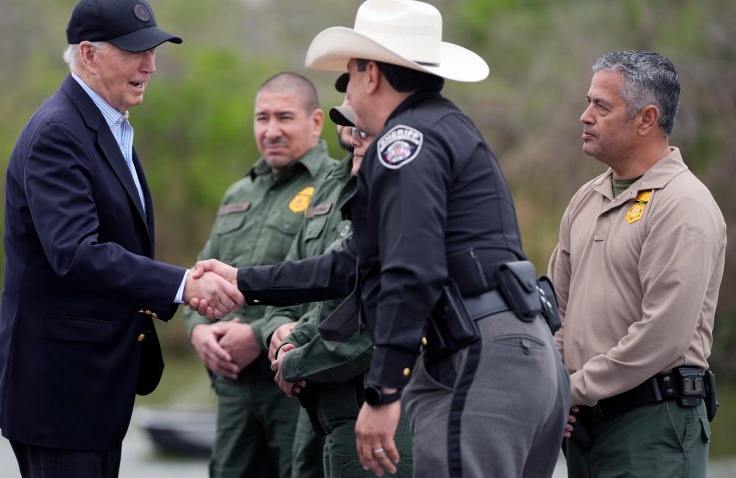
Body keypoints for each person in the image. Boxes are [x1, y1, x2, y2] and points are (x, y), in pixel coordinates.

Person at [190, 1, 570, 477]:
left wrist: (384, 392)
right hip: (522, 356)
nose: (345, 87)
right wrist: (244, 281)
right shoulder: (444, 127)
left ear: (371, 74)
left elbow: (411, 272)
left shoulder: (402, 143)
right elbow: (352, 264)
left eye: (349, 72)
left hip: (477, 360)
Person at [0, 1, 243, 476]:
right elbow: (76, 253)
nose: (149, 64)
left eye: (153, 51)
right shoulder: (58, 132)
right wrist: (184, 285)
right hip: (58, 395)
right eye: (134, 51)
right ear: (87, 54)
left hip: (92, 391)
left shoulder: (108, 124)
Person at [548, 50, 727, 477]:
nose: (584, 116)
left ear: (646, 119)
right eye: (588, 102)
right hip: (583, 427)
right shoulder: (586, 198)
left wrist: (572, 390)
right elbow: (556, 311)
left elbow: (662, 335)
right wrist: (551, 386)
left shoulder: (684, 205)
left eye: (601, 106)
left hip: (652, 429)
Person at [182, 72, 337, 478]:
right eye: (261, 118)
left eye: (284, 117)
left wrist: (256, 335)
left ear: (316, 122)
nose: (271, 131)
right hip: (232, 386)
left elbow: (337, 284)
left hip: (293, 382)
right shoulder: (238, 193)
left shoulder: (336, 188)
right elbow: (201, 267)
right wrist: (198, 330)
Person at [266, 80, 414, 478]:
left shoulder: (405, 198)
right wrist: (282, 334)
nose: (350, 118)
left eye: (360, 109)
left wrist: (296, 360)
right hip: (322, 402)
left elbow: (370, 317)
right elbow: (309, 281)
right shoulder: (332, 185)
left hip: (379, 405)